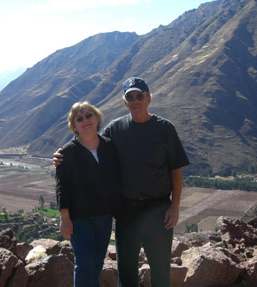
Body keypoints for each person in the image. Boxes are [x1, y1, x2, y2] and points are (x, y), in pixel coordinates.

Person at [54, 77, 189, 287]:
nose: (135, 101)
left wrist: (175, 205)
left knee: (161, 266)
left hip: (159, 209)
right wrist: (61, 155)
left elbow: (176, 170)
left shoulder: (165, 129)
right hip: (127, 211)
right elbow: (89, 140)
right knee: (126, 269)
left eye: (139, 96)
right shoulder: (116, 129)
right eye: (130, 97)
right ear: (125, 102)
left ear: (148, 98)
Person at [55, 101, 120, 287]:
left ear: (97, 118)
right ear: (74, 125)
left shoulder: (109, 146)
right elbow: (62, 187)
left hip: (104, 217)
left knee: (98, 263)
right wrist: (64, 218)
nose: (85, 120)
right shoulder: (67, 153)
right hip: (79, 219)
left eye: (89, 115)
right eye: (79, 118)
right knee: (85, 264)